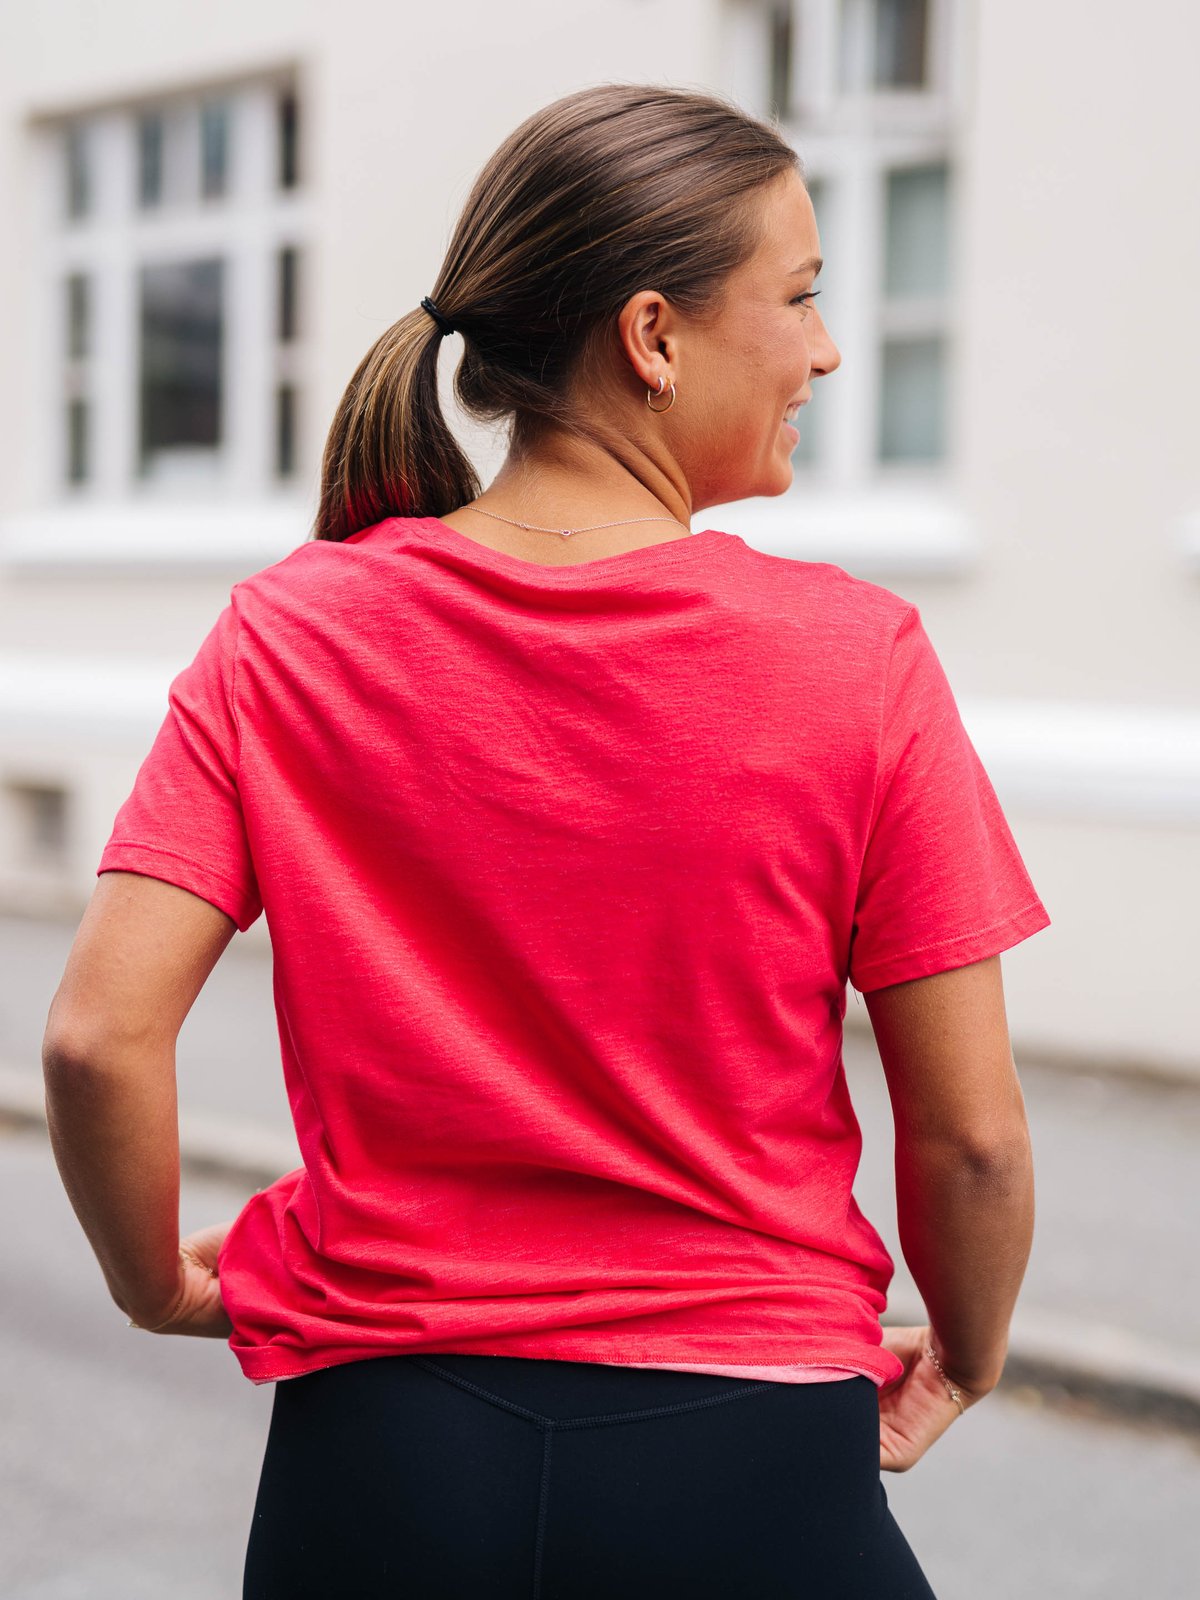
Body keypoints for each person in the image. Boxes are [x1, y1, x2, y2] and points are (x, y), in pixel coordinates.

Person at [42, 82, 1050, 1598]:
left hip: (381, 1462)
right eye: (798, 299)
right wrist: (965, 1350)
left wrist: (154, 1285)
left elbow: (97, 1041)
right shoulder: (859, 661)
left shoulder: (288, 636)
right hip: (752, 1459)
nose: (829, 349)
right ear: (652, 336)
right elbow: (970, 1137)